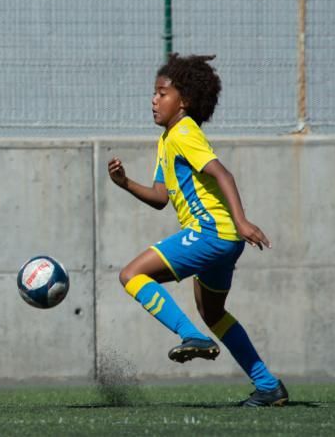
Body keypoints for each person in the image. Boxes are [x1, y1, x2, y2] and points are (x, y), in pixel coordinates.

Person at [108, 54, 288, 407]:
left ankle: (190, 336)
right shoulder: (167, 139)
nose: (154, 100)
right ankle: (268, 386)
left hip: (212, 232)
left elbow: (223, 174)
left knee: (131, 274)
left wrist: (241, 221)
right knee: (214, 313)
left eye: (162, 93)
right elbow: (161, 197)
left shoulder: (185, 131)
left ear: (184, 101)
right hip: (223, 239)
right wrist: (125, 182)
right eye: (154, 93)